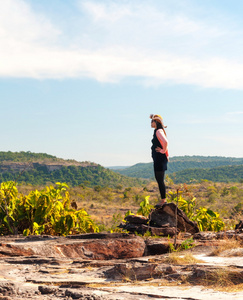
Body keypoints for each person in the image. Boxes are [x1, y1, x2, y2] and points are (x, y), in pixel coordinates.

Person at [150, 114, 169, 206]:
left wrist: (163, 151)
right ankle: (163, 199)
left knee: (160, 180)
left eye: (152, 121)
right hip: (159, 159)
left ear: (156, 122)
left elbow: (165, 142)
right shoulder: (157, 131)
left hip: (160, 159)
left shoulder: (158, 131)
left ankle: (163, 200)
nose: (151, 123)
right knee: (159, 179)